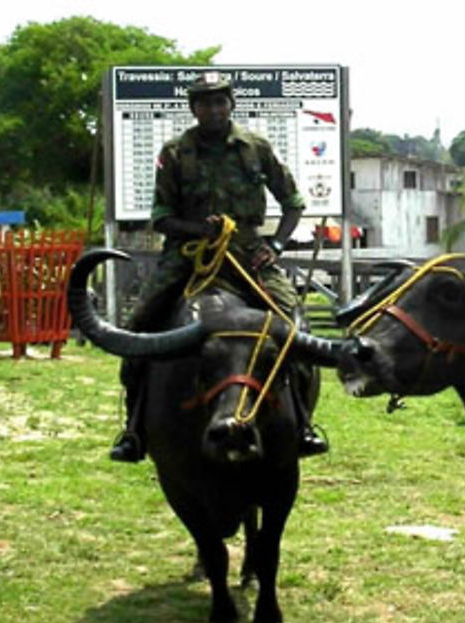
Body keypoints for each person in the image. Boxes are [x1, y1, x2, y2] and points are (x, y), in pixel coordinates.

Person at [110, 71, 328, 461]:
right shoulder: (175, 152)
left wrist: (275, 244)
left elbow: (293, 202)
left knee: (295, 322)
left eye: (219, 101)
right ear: (193, 108)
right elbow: (161, 217)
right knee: (140, 325)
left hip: (249, 254)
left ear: (231, 104)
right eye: (204, 102)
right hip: (190, 253)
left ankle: (304, 424)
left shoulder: (256, 147)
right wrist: (198, 229)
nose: (213, 109)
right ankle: (134, 428)